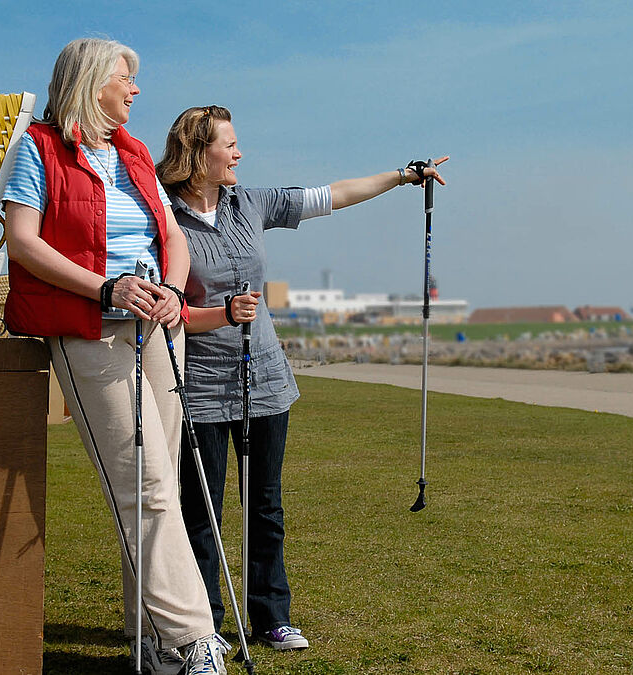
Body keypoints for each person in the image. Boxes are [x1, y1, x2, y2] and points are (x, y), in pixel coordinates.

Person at [155, 105, 446, 651]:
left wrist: (403, 176)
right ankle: (204, 625)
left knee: (265, 505)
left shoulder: (251, 202)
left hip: (265, 380)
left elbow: (332, 194)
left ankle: (271, 617)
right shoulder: (163, 214)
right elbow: (168, 305)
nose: (239, 153)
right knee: (202, 512)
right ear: (199, 153)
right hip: (199, 385)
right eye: (230, 144)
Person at [2, 40, 229, 675]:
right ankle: (190, 639)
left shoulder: (131, 154)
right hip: (89, 332)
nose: (135, 90)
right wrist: (106, 287)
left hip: (158, 330)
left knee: (162, 485)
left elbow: (172, 233)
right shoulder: (39, 149)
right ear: (92, 81)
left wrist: (174, 292)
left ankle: (152, 640)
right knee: (146, 486)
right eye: (126, 78)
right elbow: (22, 241)